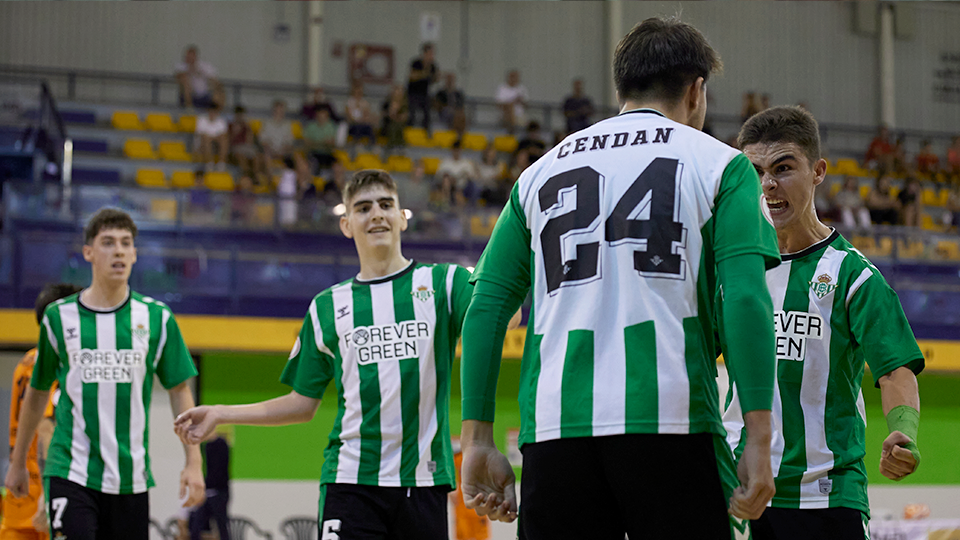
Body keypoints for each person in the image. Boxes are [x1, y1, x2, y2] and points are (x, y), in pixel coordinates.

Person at [459, 17, 779, 540]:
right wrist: (760, 438)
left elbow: (487, 308)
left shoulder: (537, 175)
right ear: (697, 92)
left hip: (556, 430)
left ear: (620, 89)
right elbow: (746, 299)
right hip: (672, 421)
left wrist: (476, 439)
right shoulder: (723, 167)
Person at [174, 170, 518, 540]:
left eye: (386, 205)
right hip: (350, 483)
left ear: (402, 218)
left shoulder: (442, 284)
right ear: (346, 224)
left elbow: (507, 317)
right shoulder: (326, 307)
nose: (376, 215)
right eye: (363, 208)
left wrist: (488, 279)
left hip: (423, 483)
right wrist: (222, 412)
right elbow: (302, 403)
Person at [727, 105, 924, 540]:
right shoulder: (730, 267)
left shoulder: (854, 276)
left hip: (827, 494)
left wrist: (903, 433)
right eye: (755, 170)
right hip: (738, 489)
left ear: (818, 171)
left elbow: (894, 369)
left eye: (783, 168)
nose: (768, 184)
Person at [4, 208, 205, 540]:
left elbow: (180, 391)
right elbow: (38, 393)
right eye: (108, 243)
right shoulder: (59, 317)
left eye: (126, 243)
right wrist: (18, 463)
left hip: (131, 477)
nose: (119, 251)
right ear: (89, 252)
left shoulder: (157, 318)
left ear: (136, 254)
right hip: (71, 468)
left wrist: (193, 463)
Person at [1, 284, 82, 540]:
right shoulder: (58, 366)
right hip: (44, 497)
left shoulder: (26, 362)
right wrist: (49, 496)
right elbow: (47, 430)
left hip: (17, 496)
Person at [188, 429, 230, 540]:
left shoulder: (220, 445)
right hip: (209, 491)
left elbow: (220, 471)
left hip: (219, 492)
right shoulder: (206, 446)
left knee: (221, 526)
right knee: (196, 523)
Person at [175, 46, 220, 110]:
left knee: (218, 86)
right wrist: (190, 71)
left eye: (192, 56)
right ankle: (189, 108)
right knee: (184, 80)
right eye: (189, 56)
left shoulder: (204, 66)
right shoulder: (181, 66)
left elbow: (214, 79)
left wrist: (200, 72)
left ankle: (216, 111)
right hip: (190, 95)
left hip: (204, 95)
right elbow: (178, 76)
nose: (190, 58)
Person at [407, 43, 439, 132]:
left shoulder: (432, 66)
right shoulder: (416, 63)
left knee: (427, 111)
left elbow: (434, 80)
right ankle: (409, 128)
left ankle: (426, 130)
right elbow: (412, 76)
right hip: (413, 92)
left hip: (424, 93)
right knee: (411, 111)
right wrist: (425, 72)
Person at [260, 100, 295, 165]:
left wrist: (282, 150)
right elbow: (263, 140)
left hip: (283, 151)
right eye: (277, 110)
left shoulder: (287, 124)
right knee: (266, 152)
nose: (279, 112)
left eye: (281, 110)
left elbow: (289, 141)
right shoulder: (266, 123)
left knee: (293, 153)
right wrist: (272, 150)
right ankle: (269, 173)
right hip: (269, 151)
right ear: (273, 111)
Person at [196, 103, 229, 171]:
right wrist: (212, 138)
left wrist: (212, 138)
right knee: (206, 139)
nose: (212, 113)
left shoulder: (221, 121)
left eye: (214, 112)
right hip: (203, 143)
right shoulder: (201, 120)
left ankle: (221, 164)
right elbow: (201, 135)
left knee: (224, 140)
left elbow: (223, 135)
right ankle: (209, 163)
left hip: (216, 143)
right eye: (210, 111)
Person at [495, 70, 528, 135]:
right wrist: (513, 102)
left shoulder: (522, 88)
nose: (514, 79)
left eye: (515, 77)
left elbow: (526, 104)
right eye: (512, 77)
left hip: (519, 115)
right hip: (504, 115)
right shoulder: (502, 88)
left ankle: (511, 130)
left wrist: (520, 101)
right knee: (510, 109)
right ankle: (511, 131)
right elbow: (499, 104)